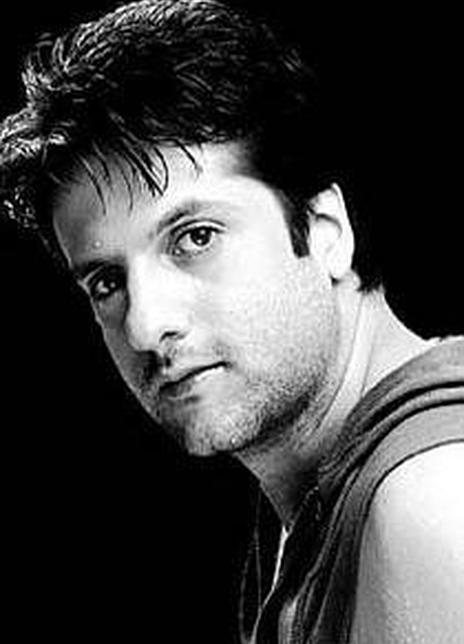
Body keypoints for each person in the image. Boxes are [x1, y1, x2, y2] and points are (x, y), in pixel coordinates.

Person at [0, 1, 463, 642]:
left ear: (325, 231)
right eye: (107, 282)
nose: (144, 326)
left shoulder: (428, 501)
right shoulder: (322, 499)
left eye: (195, 237)